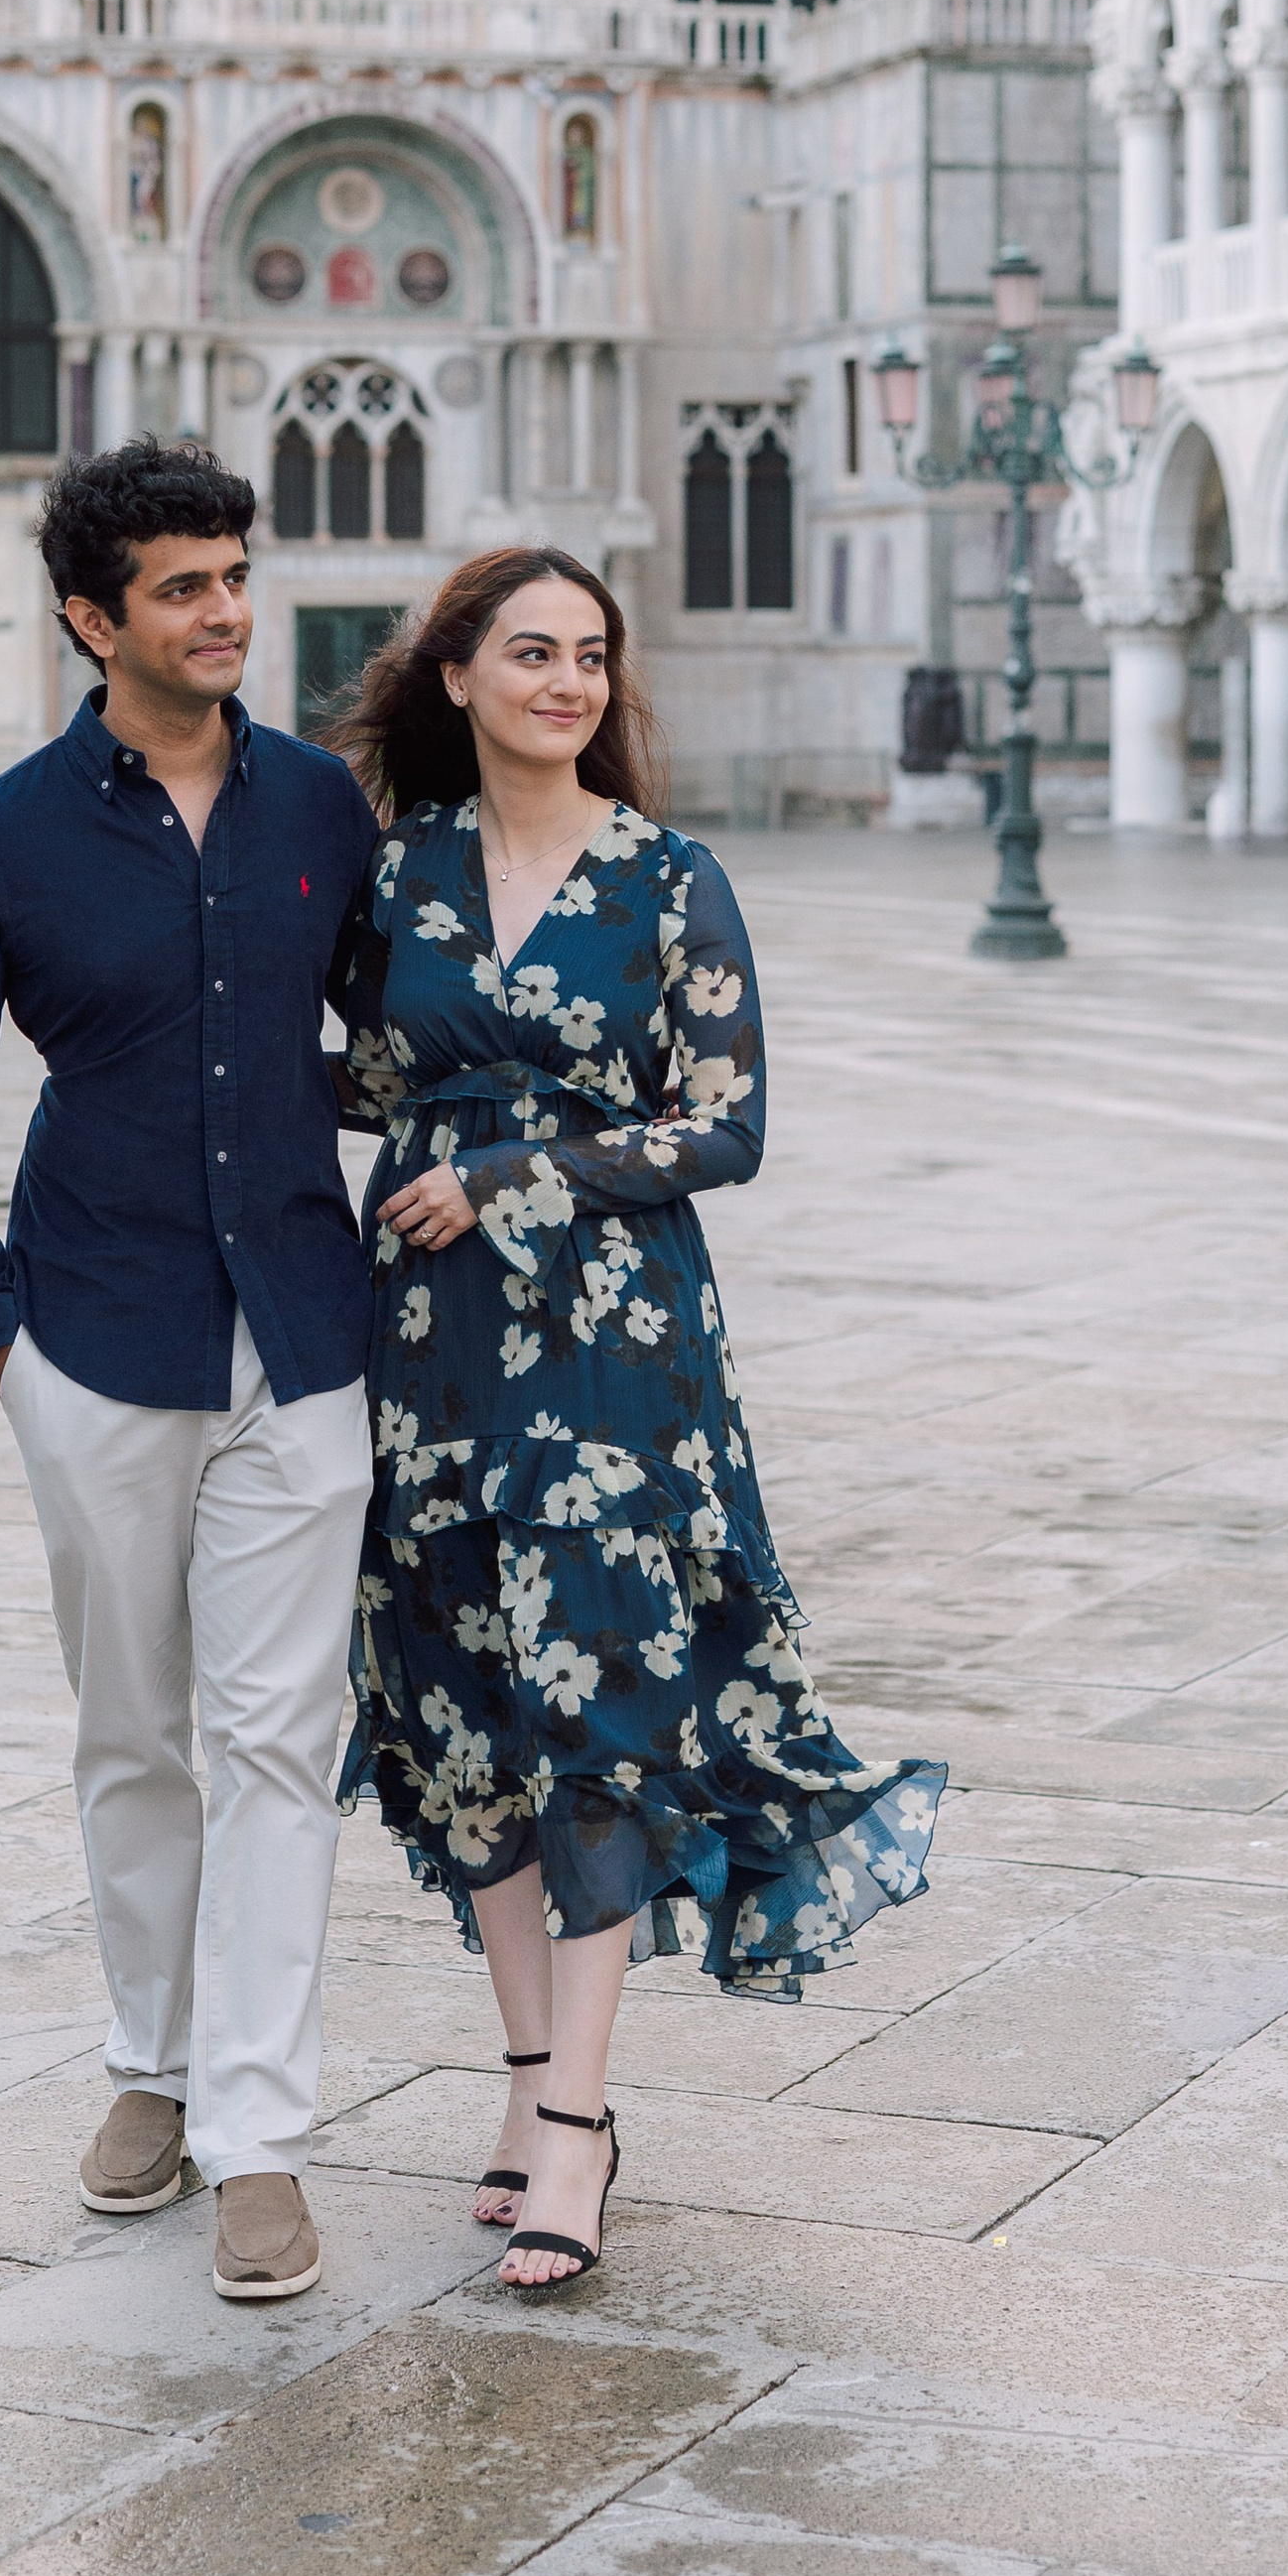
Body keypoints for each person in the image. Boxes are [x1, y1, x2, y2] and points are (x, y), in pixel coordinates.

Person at [327, 546, 945, 2294]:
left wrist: (512, 1173)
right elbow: (368, 1078)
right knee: (467, 1708)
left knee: (598, 1704)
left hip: (615, 1347)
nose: (568, 683)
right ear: (457, 675)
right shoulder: (401, 875)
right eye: (532, 653)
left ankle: (578, 2124)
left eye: (591, 656)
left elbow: (727, 1126)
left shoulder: (670, 878)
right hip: (433, 1347)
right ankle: (527, 2078)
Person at [0, 437, 376, 2305]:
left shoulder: (320, 804)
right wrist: (1, 1343)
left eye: (236, 574)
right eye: (185, 587)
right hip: (91, 1342)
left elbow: (396, 1042)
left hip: (304, 1345)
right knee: (134, 1737)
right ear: (95, 620)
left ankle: (258, 2136)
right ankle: (149, 2066)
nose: (227, 611)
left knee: (280, 1745)